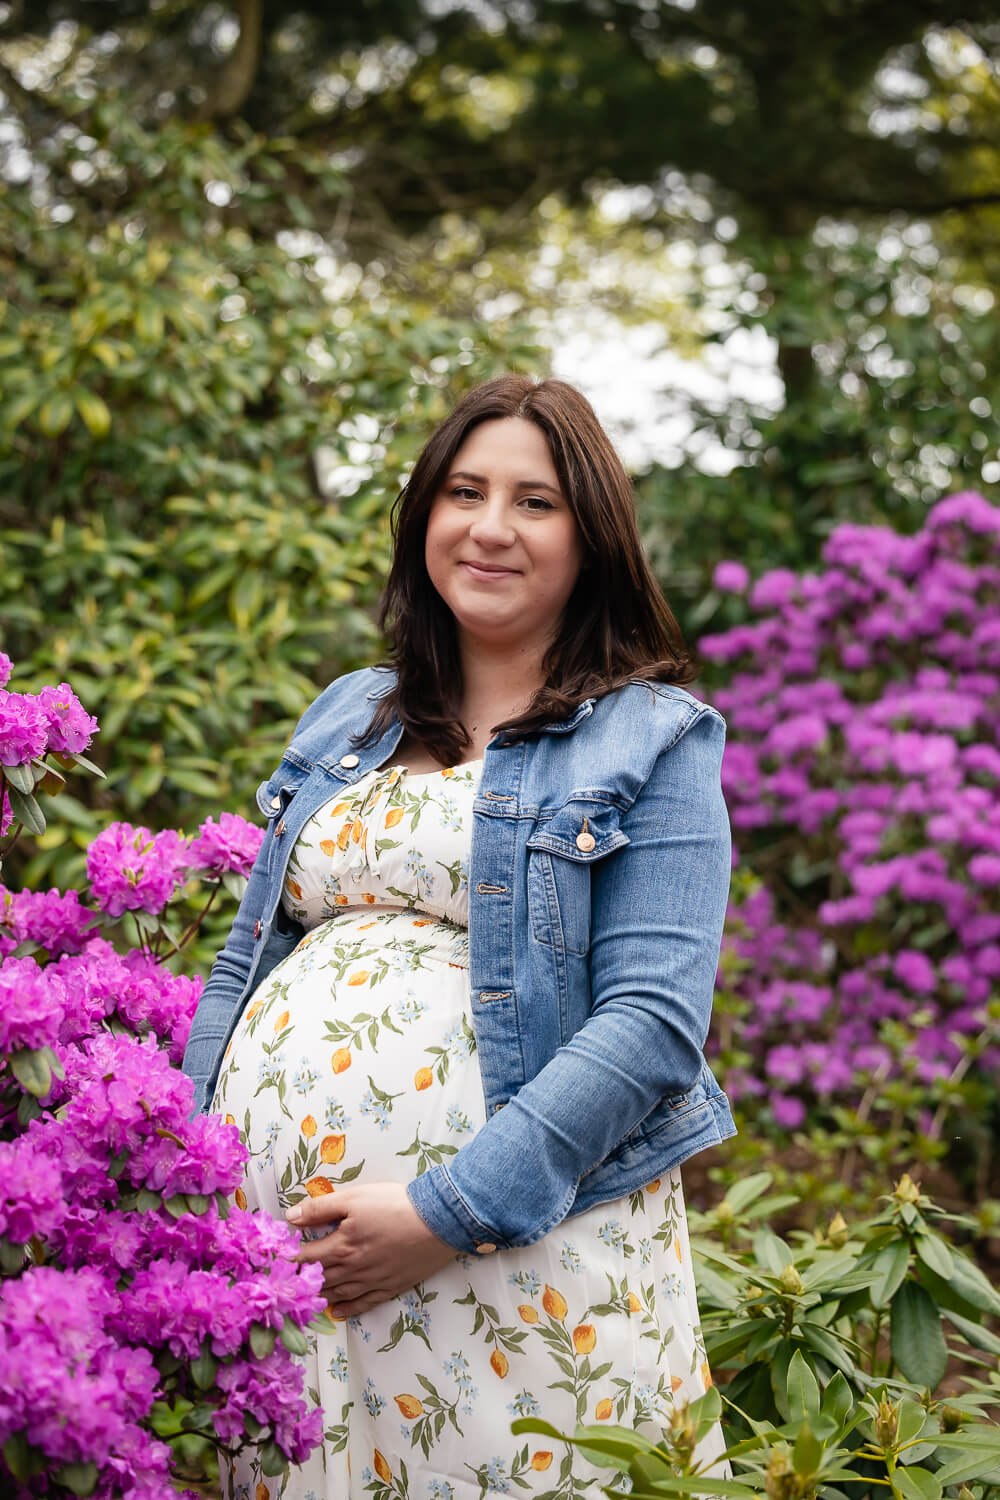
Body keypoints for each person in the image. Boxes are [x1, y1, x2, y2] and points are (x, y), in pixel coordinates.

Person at [182, 374, 736, 1498]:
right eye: (463, 492)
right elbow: (250, 957)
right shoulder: (351, 711)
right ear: (423, 515)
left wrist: (445, 1214)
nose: (489, 528)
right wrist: (191, 1172)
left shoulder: (653, 738)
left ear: (591, 541)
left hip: (516, 1257)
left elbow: (651, 1028)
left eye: (534, 503)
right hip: (291, 1262)